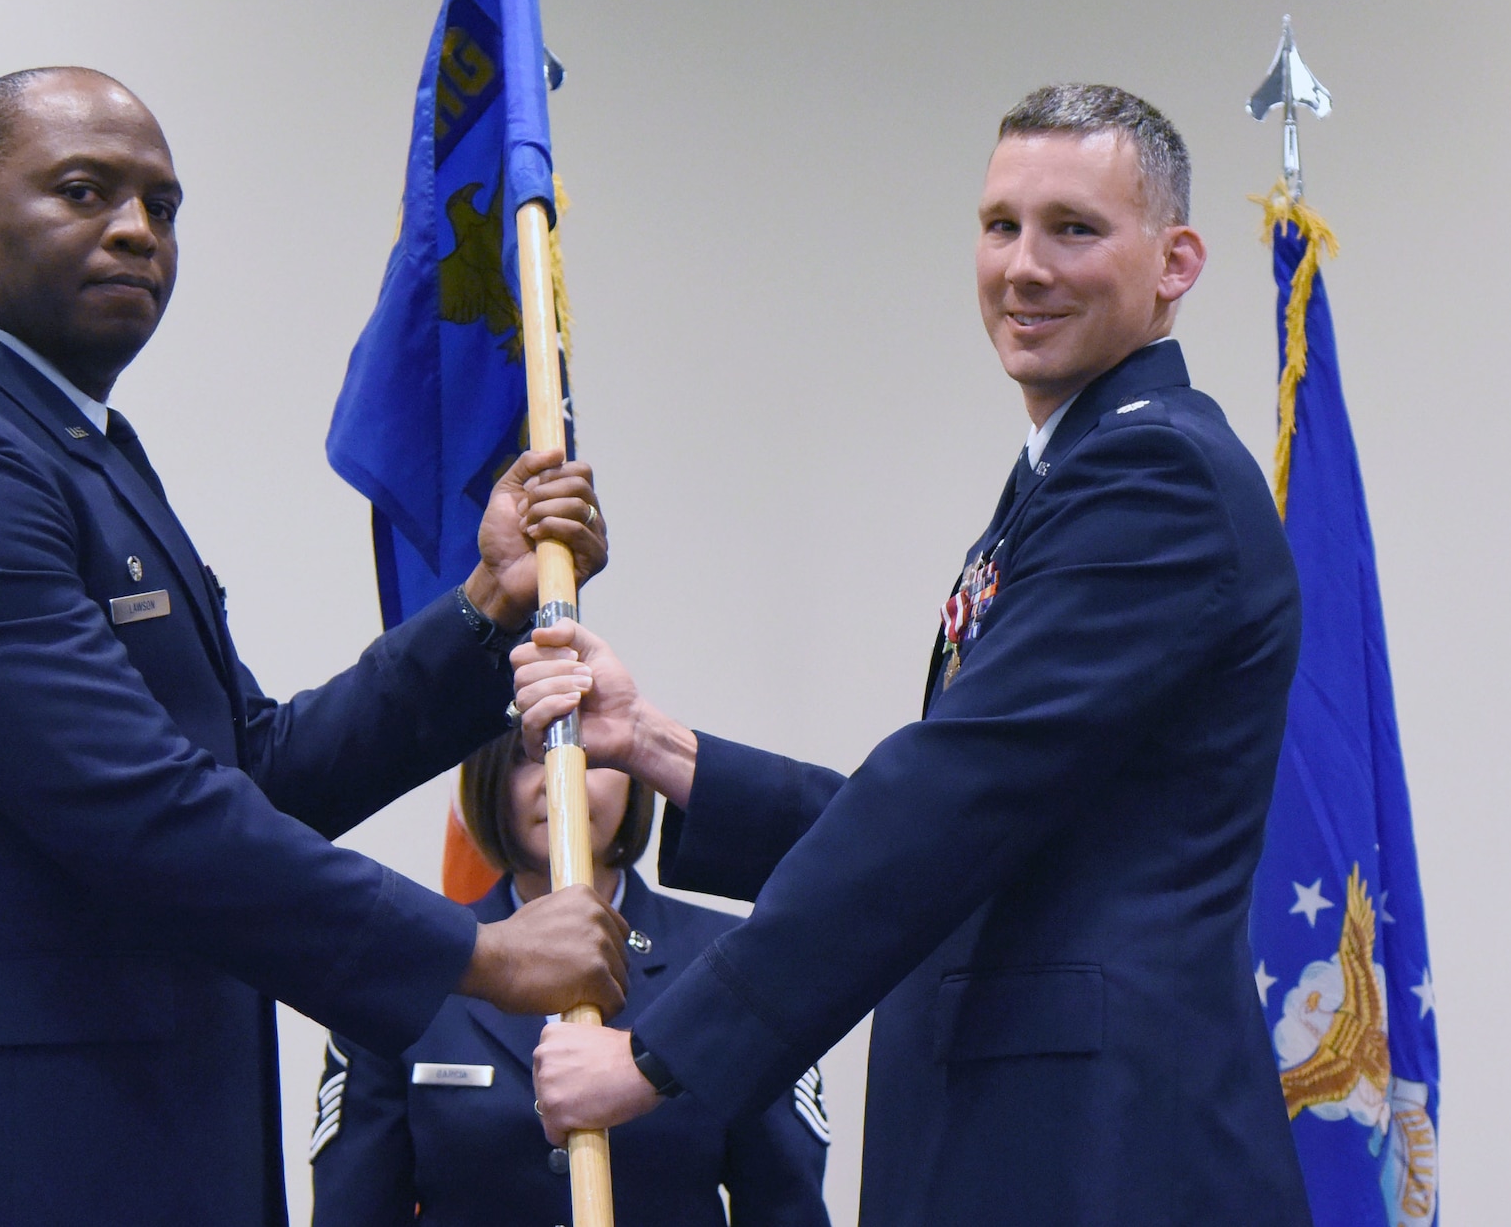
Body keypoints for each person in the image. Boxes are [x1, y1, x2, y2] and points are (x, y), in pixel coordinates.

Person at [0, 66, 631, 1227]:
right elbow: (139, 810)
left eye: (161, 208)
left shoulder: (79, 455)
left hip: (132, 1138)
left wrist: (483, 607)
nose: (134, 231)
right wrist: (477, 959)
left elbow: (250, 775)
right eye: (83, 191)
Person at [514, 85, 1314, 1226]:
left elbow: (948, 800)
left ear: (1174, 262)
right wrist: (646, 743)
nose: (1022, 268)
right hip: (1025, 1139)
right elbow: (969, 820)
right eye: (1000, 226)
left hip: (1100, 1158)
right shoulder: (1063, 475)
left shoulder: (1155, 481)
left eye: (1072, 229)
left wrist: (661, 1050)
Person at [309, 730, 831, 1227]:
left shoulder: (728, 962)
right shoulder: (414, 963)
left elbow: (784, 1204)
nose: (561, 776)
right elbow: (355, 1206)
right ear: (487, 778)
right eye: (527, 755)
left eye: (593, 753)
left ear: (634, 776)